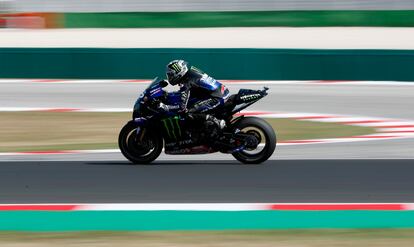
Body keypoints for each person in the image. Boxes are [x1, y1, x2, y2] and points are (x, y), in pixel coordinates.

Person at [158, 59, 230, 131]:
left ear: (178, 72)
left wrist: (166, 107)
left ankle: (216, 121)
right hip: (220, 92)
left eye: (171, 74)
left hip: (217, 97)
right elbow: (189, 92)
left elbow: (182, 107)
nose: (170, 77)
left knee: (188, 112)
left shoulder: (186, 82)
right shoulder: (191, 73)